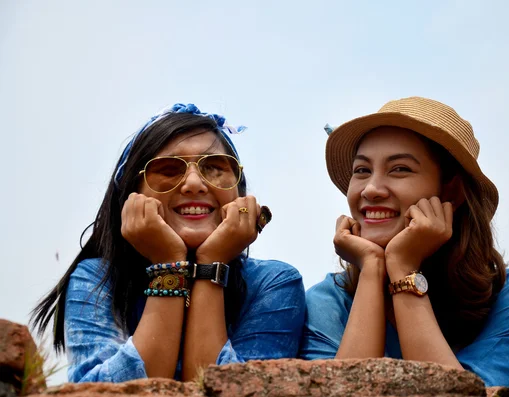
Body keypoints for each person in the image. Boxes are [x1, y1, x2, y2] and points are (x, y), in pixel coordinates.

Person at [31, 103, 305, 383]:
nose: (194, 183)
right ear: (131, 195)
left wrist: (212, 265)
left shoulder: (273, 283)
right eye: (168, 169)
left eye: (214, 167)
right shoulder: (97, 280)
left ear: (240, 192)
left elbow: (232, 388)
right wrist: (168, 266)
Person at [301, 97, 509, 387]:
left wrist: (403, 269)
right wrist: (371, 268)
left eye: (400, 169)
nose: (371, 189)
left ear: (451, 192)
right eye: (362, 170)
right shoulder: (328, 301)